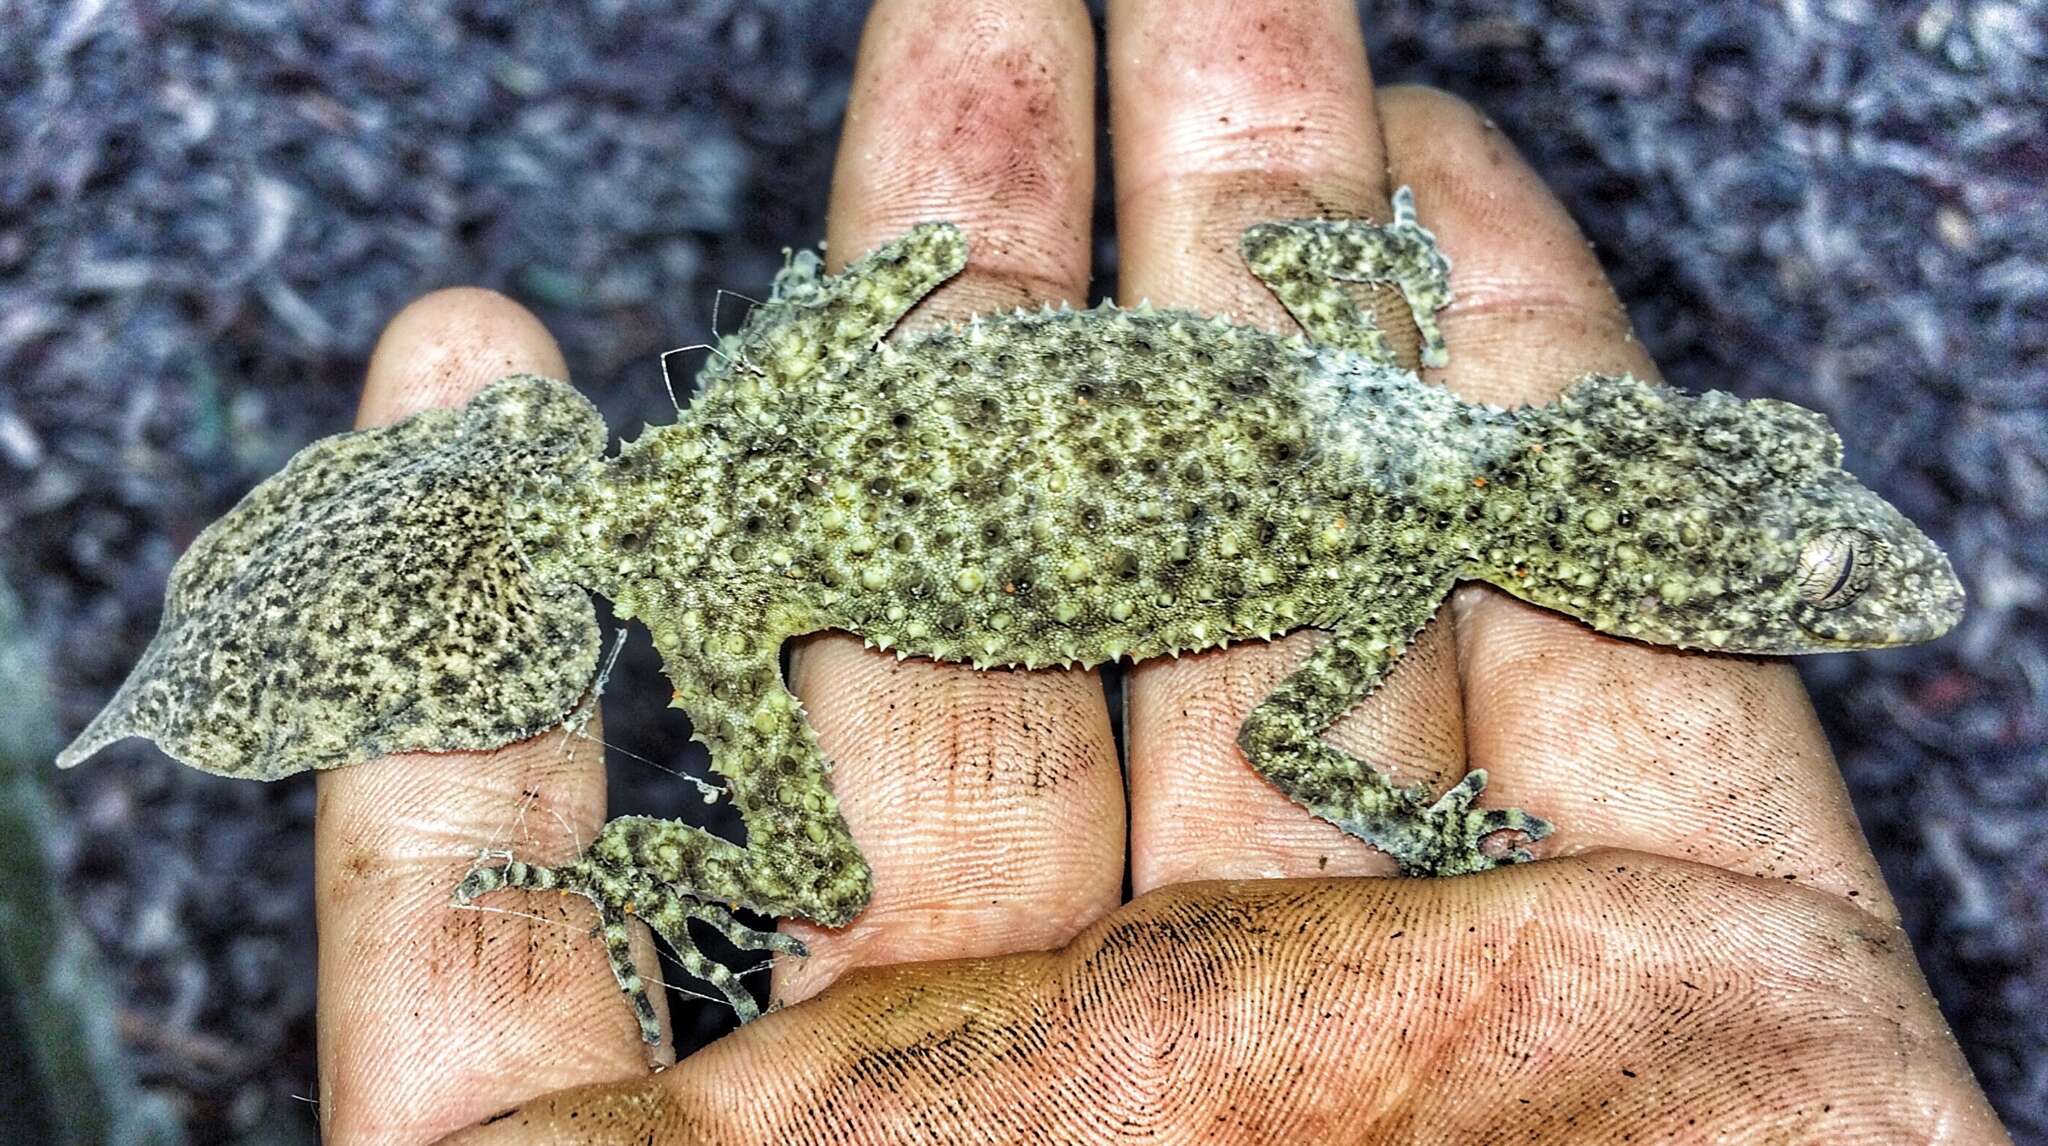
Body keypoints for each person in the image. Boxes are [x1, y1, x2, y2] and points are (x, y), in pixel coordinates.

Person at [312, 1, 2007, 1141]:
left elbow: (1285, 238)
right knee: (825, 885)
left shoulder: (1380, 379)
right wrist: (1417, 835)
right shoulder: (1394, 544)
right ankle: (632, 880)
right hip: (729, 559)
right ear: (1631, 581)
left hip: (745, 463)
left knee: (821, 874)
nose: (1868, 588)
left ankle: (632, 869)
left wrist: (1383, 267)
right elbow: (1286, 747)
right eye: (1798, 555)